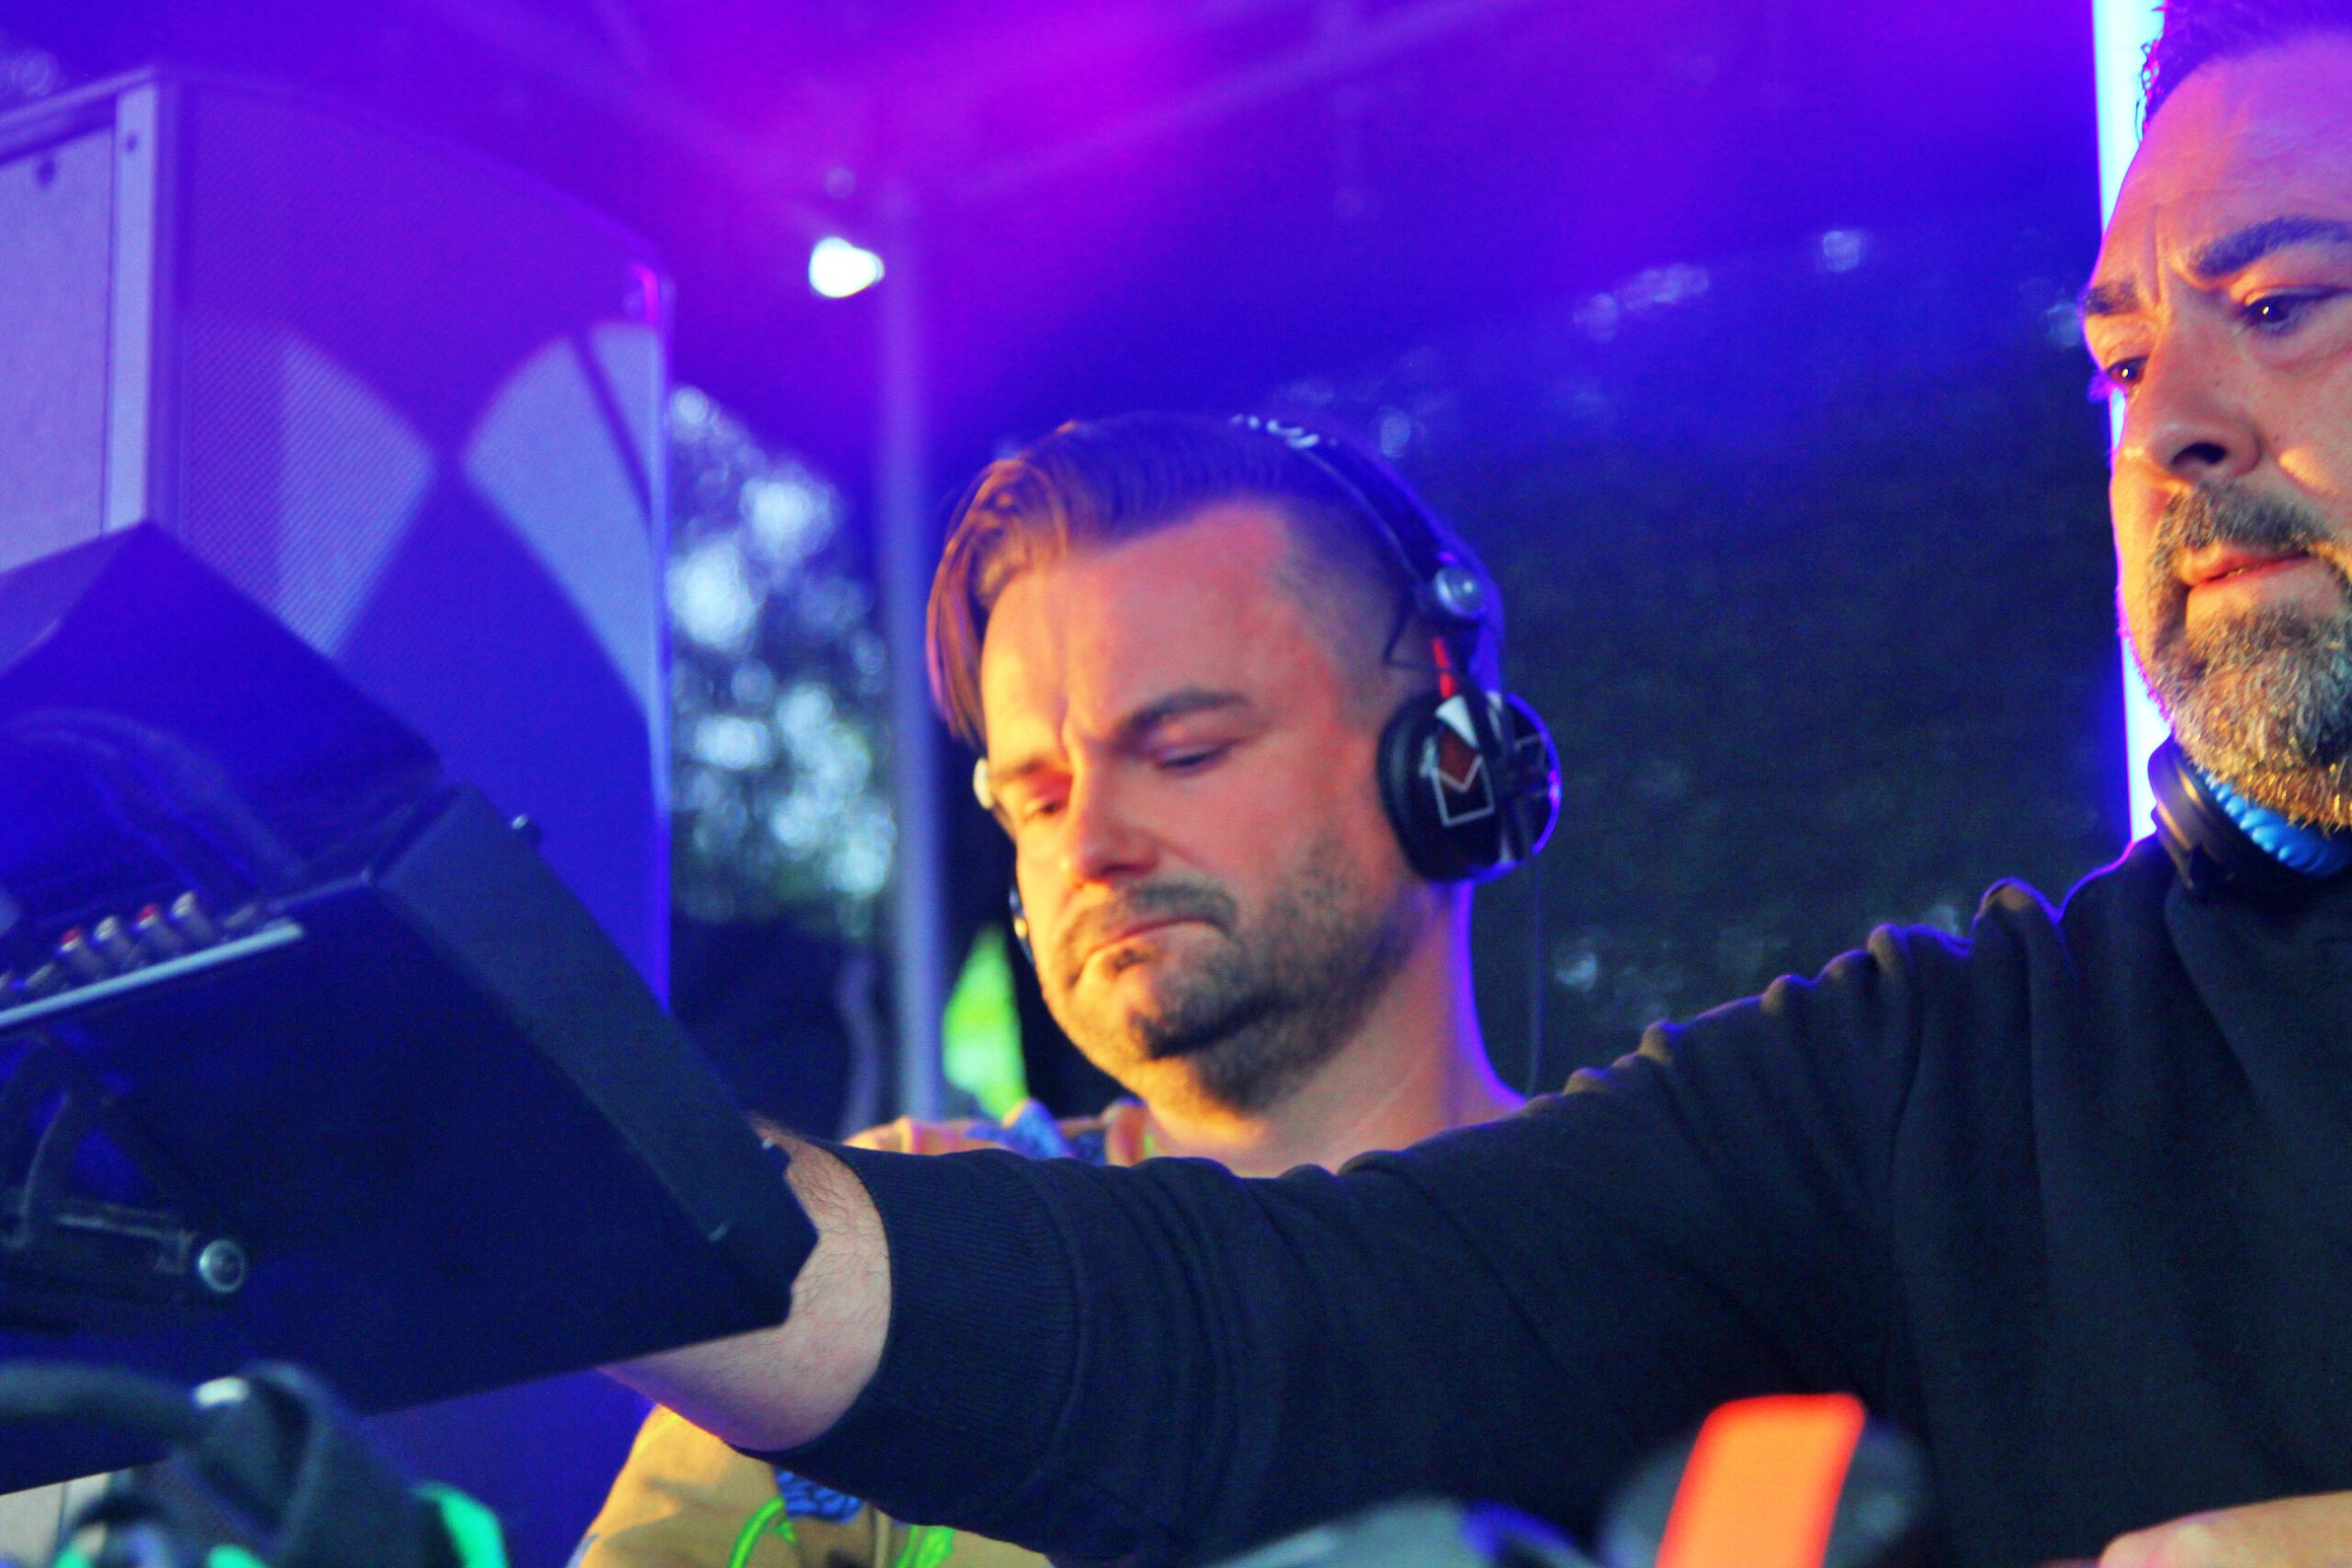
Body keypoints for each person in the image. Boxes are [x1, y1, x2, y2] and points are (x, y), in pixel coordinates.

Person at [613, 6, 2352, 1563]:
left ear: (1454, 766)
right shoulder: (1944, 1087)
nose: (2162, 425)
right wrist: (623, 1192)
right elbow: (1305, 1330)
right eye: (2122, 361)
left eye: (2282, 303)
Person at [576, 413, 1539, 1568]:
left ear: (1452, 769)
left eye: (1184, 753)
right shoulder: (869, 1241)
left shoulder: (1676, 1245)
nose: (1087, 847)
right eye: (1035, 798)